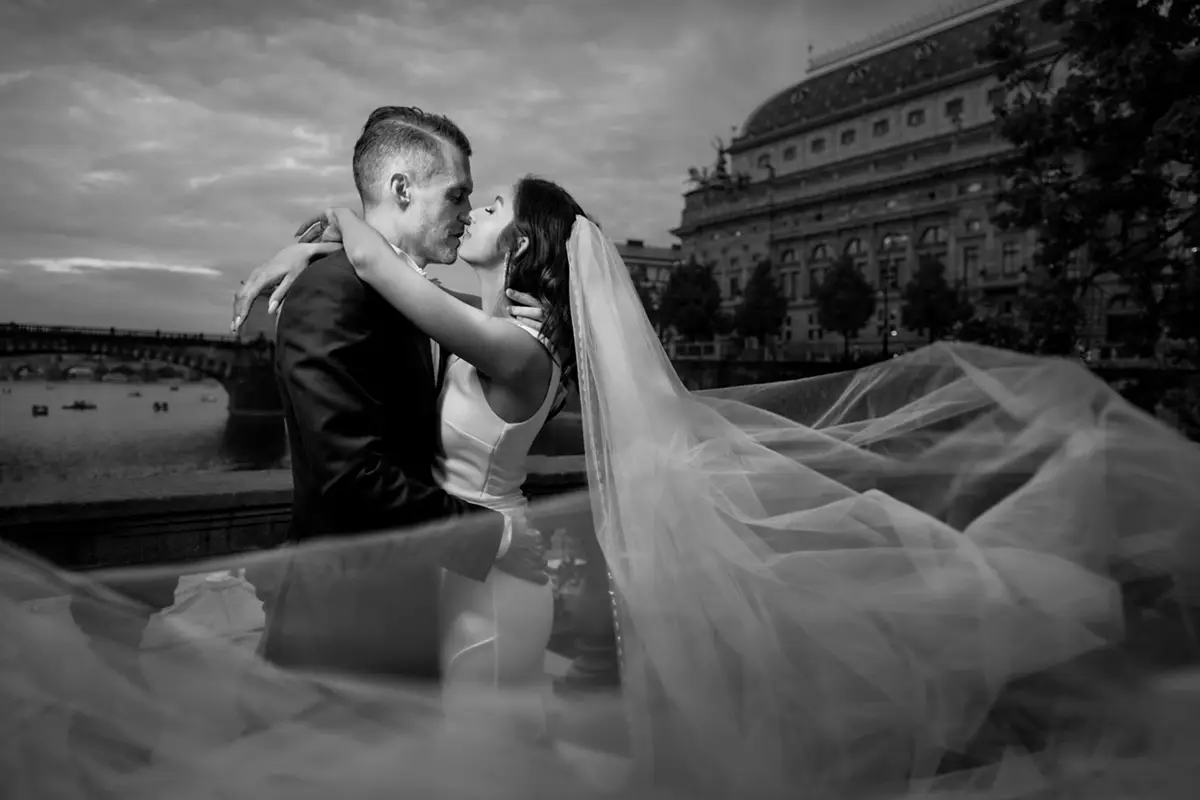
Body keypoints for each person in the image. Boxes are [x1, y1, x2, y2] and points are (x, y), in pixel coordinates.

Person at [232, 176, 1200, 797]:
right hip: (474, 557)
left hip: (495, 563)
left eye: (488, 210)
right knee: (480, 752)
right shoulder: (488, 321)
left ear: (525, 250)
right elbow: (396, 280)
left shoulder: (514, 342)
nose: (473, 209)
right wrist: (311, 241)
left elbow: (375, 257)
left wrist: (323, 234)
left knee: (491, 757)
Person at [254, 106, 552, 686]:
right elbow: (348, 475)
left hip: (417, 603)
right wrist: (496, 535)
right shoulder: (330, 295)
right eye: (458, 195)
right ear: (402, 190)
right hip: (344, 618)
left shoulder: (417, 301)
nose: (467, 215)